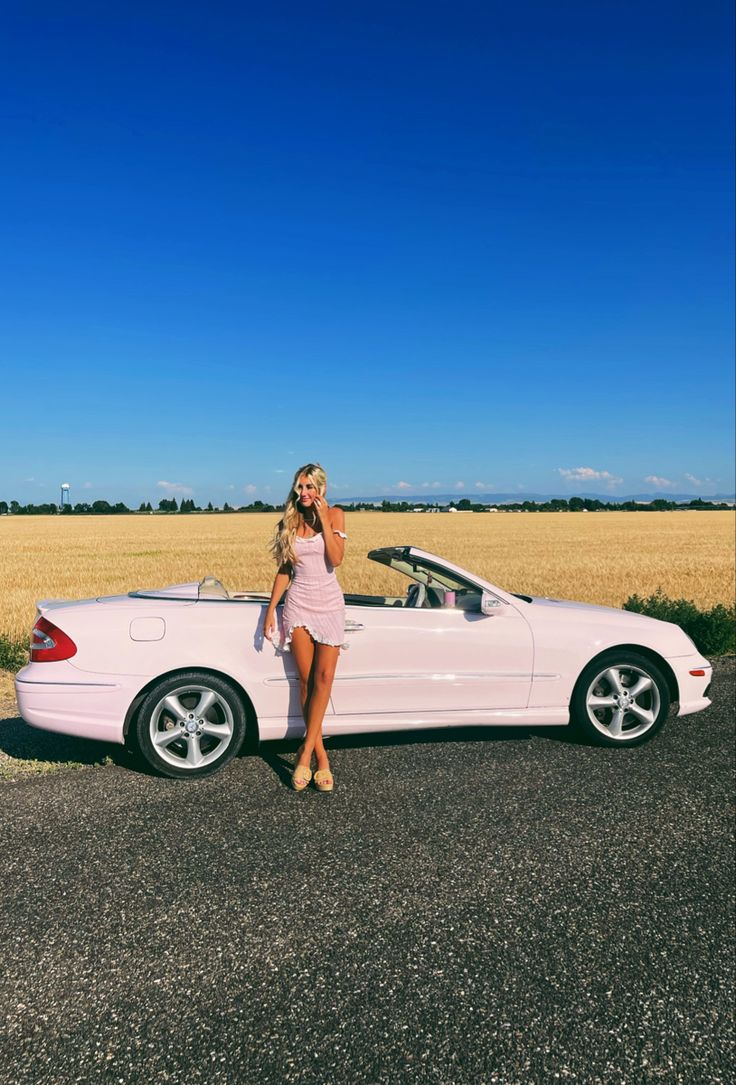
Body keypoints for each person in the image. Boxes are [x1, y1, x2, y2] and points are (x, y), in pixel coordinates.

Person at [263, 463, 348, 792]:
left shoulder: (336, 514)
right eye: (300, 487)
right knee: (306, 680)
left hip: (329, 605)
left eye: (310, 487)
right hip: (298, 604)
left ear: (322, 489)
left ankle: (305, 750)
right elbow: (285, 569)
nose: (304, 493)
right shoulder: (290, 521)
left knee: (325, 679)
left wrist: (325, 522)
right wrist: (271, 609)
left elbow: (337, 559)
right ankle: (318, 758)